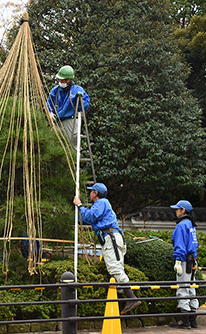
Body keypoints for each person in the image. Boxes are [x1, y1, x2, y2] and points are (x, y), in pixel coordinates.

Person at [73, 182, 141, 314]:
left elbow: (90, 217)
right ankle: (122, 304)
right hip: (114, 237)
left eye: (91, 191)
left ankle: (131, 298)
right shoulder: (103, 204)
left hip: (111, 238)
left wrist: (79, 205)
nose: (90, 194)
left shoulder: (101, 203)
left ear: (96, 193)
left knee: (114, 268)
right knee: (117, 270)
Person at [169, 200, 199, 329]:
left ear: (183, 211)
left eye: (177, 209)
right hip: (193, 260)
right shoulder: (191, 225)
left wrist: (178, 261)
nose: (176, 211)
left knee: (182, 288)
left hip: (184, 261)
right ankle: (193, 321)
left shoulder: (181, 225)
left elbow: (180, 245)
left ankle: (185, 322)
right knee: (191, 288)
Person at [46, 65, 90, 150]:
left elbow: (85, 105)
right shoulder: (55, 91)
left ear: (69, 80)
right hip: (58, 121)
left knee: (72, 148)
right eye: (59, 79)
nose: (60, 81)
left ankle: (73, 163)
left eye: (62, 80)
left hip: (71, 121)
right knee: (55, 147)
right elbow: (49, 104)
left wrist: (80, 100)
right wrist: (50, 113)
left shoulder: (77, 90)